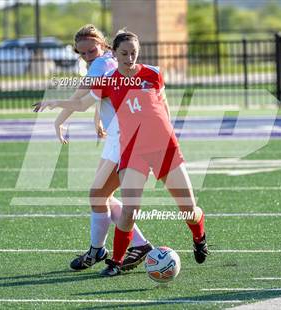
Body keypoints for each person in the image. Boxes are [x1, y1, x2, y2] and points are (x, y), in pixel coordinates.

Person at [37, 29, 208, 277]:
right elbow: (83, 103)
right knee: (128, 209)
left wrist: (168, 133)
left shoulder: (153, 73)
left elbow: (163, 104)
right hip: (132, 150)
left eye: (133, 53)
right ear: (114, 53)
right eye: (124, 53)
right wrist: (56, 103)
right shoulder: (108, 80)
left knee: (189, 209)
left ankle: (199, 237)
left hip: (163, 148)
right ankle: (115, 262)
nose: (129, 58)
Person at [34, 25, 153, 272]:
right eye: (83, 53)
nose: (88, 56)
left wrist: (59, 120)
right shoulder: (108, 60)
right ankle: (134, 245)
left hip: (126, 137)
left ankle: (101, 250)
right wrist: (98, 119)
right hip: (120, 137)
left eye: (91, 50)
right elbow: (105, 95)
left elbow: (80, 100)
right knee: (101, 196)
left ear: (103, 44)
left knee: (98, 195)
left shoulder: (101, 65)